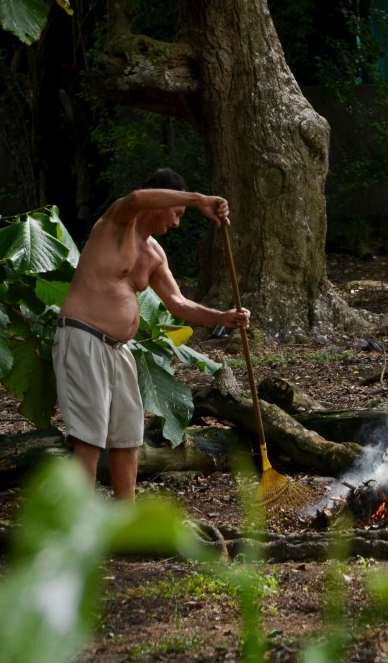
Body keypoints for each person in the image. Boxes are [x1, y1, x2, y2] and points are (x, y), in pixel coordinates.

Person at [54, 169, 250, 501]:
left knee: (128, 438)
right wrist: (199, 199)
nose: (176, 223)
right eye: (176, 213)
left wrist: (224, 317)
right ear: (160, 202)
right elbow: (135, 198)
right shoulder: (117, 224)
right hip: (84, 339)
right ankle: (80, 530)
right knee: (89, 440)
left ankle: (126, 522)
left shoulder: (154, 254)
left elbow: (177, 302)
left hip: (120, 350)